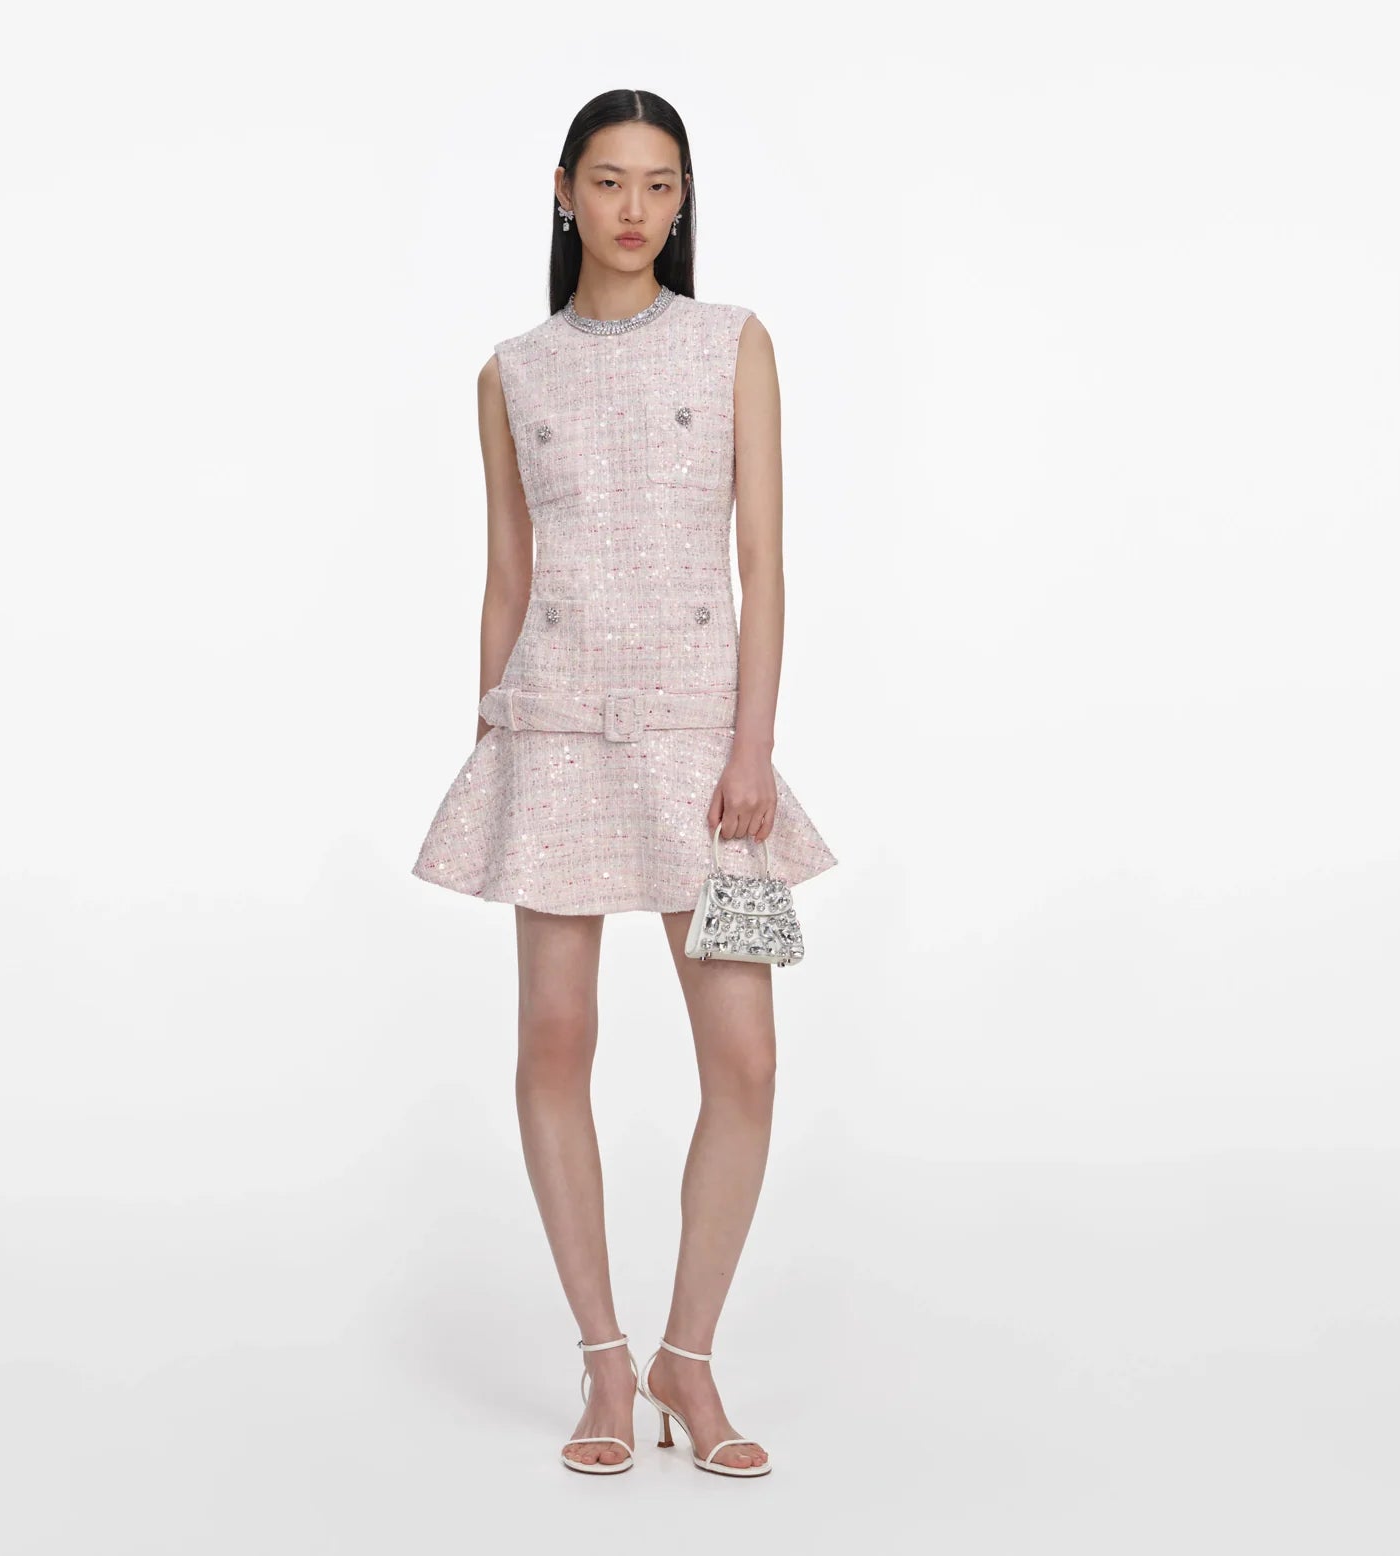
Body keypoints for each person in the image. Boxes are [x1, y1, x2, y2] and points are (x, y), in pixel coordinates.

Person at [410, 89, 838, 1477]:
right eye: (609, 181)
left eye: (660, 183)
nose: (635, 208)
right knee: (554, 1041)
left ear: (683, 198)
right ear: (564, 192)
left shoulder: (733, 344)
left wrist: (752, 745)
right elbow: (507, 573)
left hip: (703, 746)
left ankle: (686, 1360)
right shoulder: (510, 373)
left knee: (745, 1060)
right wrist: (491, 740)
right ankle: (604, 1361)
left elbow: (763, 562)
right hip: (550, 730)